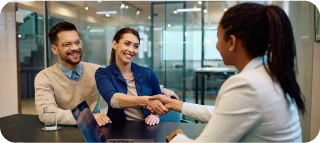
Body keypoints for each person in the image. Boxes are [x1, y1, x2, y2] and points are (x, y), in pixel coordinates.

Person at [149, 3, 305, 143]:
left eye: (217, 37)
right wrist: (176, 104)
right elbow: (223, 114)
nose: (216, 45)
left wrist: (177, 138)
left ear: (232, 42)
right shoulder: (268, 74)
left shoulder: (247, 84)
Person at [34, 22, 111, 126]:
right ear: (54, 49)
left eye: (77, 42)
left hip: (95, 132)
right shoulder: (44, 77)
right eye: (67, 44)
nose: (75, 48)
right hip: (61, 134)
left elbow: (116, 98)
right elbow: (47, 114)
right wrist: (87, 118)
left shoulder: (98, 71)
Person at [95, 28, 171, 126]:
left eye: (136, 46)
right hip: (117, 129)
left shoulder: (148, 73)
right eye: (127, 44)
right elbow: (113, 100)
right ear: (115, 44)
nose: (131, 50)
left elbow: (159, 100)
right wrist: (147, 101)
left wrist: (154, 115)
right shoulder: (103, 73)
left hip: (147, 127)